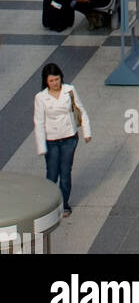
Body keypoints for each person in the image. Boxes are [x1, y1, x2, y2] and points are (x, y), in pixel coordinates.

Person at [34, 62, 91, 217]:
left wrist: (87, 131)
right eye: (51, 81)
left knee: (65, 173)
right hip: (51, 140)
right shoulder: (40, 97)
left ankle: (64, 204)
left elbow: (81, 110)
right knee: (52, 173)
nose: (55, 83)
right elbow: (38, 122)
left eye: (57, 80)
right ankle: (50, 206)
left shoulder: (70, 90)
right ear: (46, 81)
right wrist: (41, 146)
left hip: (69, 138)